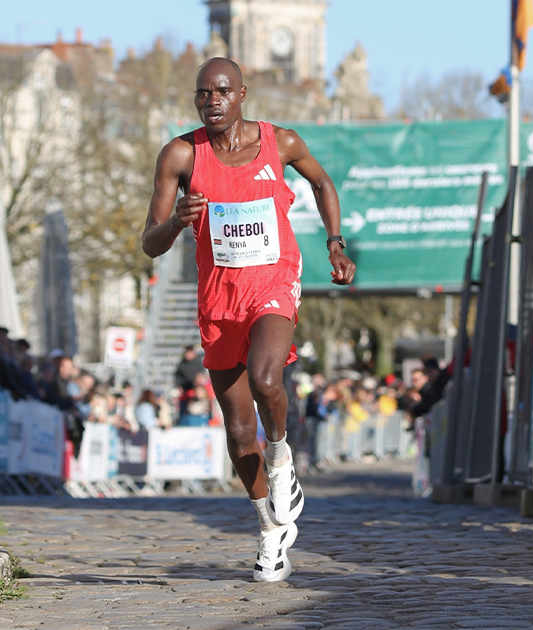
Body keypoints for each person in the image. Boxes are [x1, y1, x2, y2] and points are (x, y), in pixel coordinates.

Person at [141, 58, 355, 582]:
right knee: (238, 433)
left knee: (266, 377)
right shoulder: (181, 154)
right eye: (201, 94)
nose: (211, 101)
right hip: (219, 296)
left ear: (241, 94)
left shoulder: (279, 142)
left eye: (220, 92)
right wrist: (176, 222)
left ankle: (282, 457)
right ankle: (270, 530)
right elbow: (149, 242)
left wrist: (335, 243)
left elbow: (323, 185)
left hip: (273, 279)